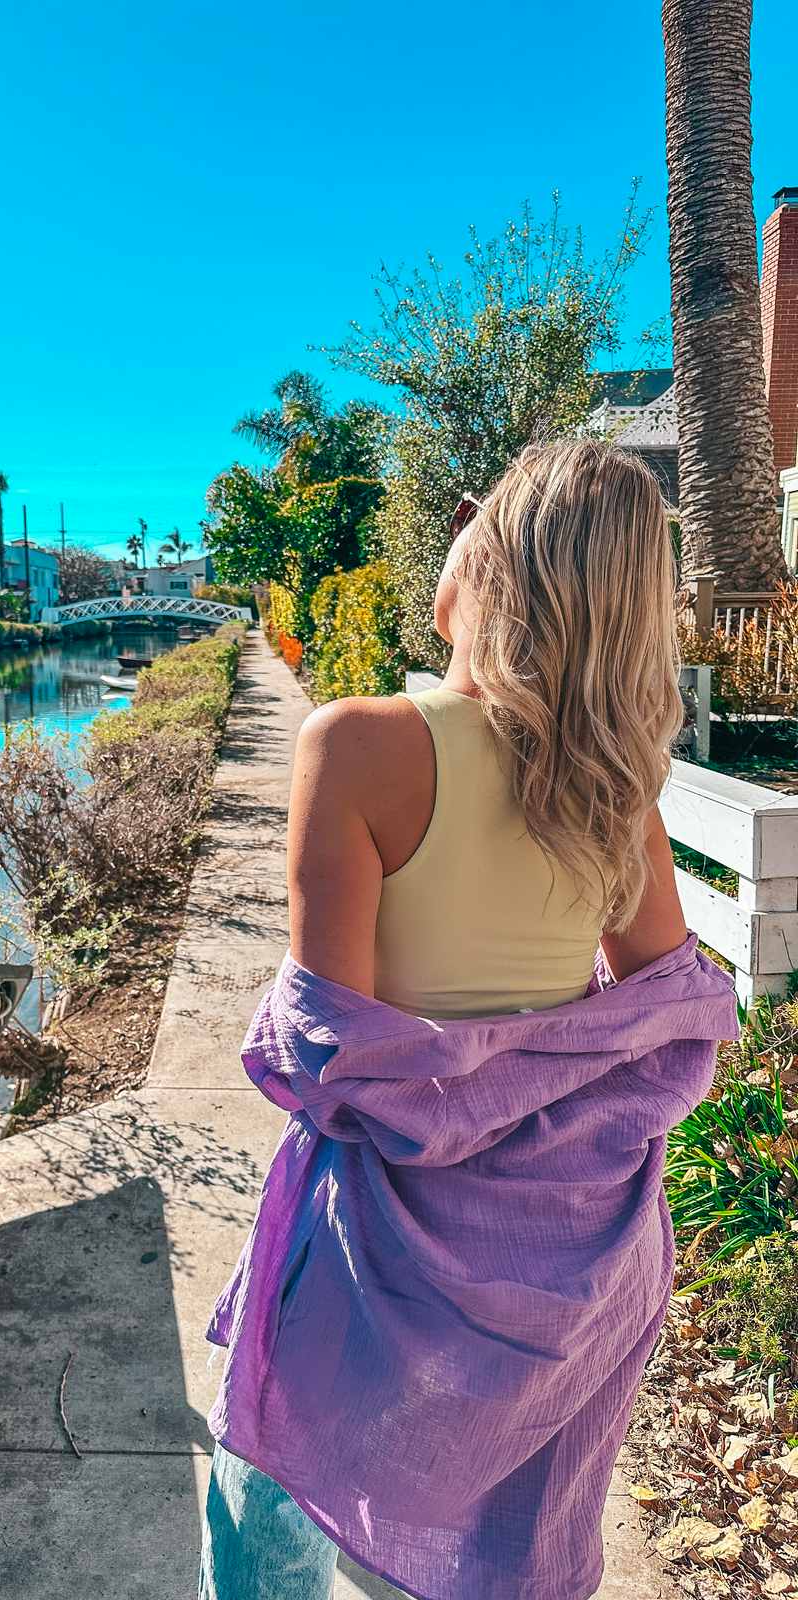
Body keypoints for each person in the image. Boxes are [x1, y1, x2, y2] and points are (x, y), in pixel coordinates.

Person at [199, 438, 739, 1600]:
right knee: (481, 1528)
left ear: (499, 561)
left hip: (390, 1244)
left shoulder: (355, 746)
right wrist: (543, 1071)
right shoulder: (615, 789)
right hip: (569, 1255)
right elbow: (676, 1008)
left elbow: (328, 1051)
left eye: (471, 514)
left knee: (268, 1491)